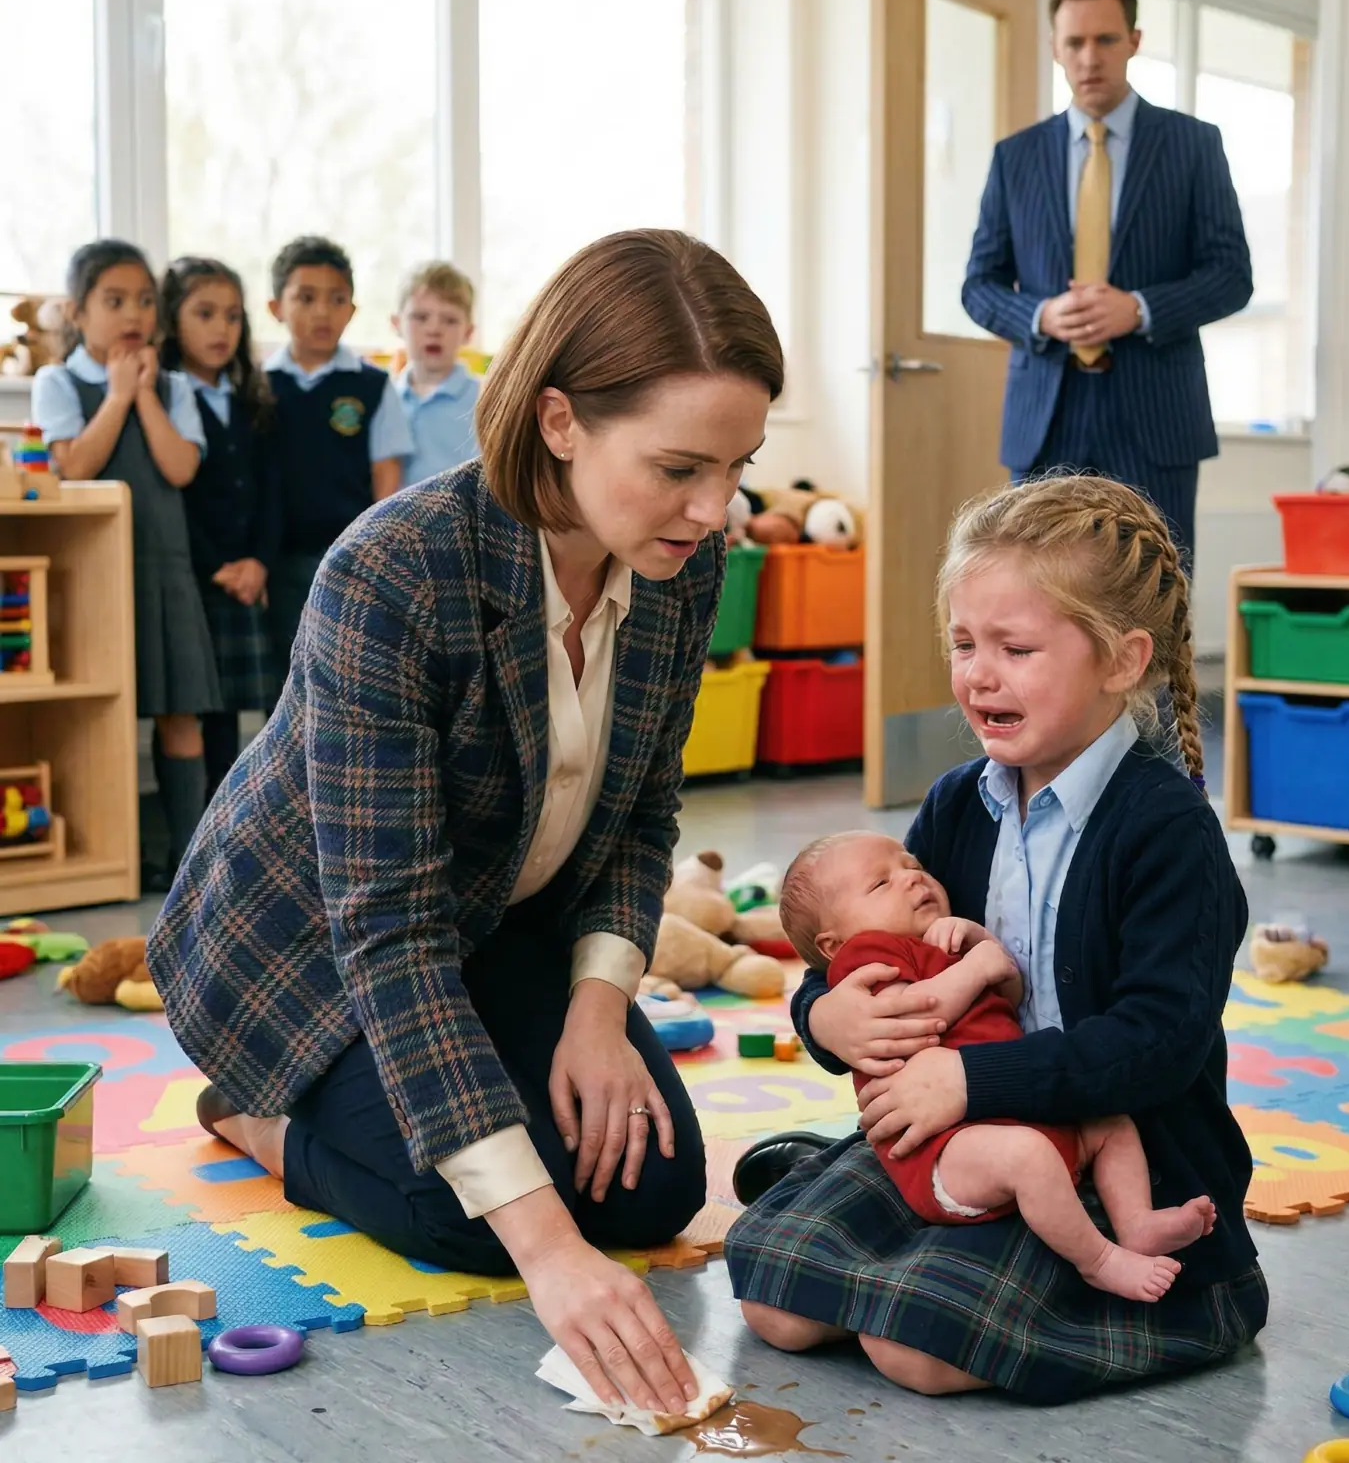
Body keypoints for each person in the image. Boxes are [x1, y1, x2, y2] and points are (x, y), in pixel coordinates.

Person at [146, 229, 784, 1414]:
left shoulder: (680, 561)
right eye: (680, 467)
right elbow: (385, 933)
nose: (713, 508)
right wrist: (549, 1256)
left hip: (497, 918)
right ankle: (256, 1115)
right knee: (483, 1214)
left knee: (649, 1185)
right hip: (311, 957)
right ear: (558, 423)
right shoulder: (389, 574)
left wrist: (599, 1009)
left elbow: (643, 808)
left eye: (736, 466)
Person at [725, 475, 1267, 1403]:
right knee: (772, 1295)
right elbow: (861, 950)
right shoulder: (955, 804)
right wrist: (826, 1018)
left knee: (920, 1354)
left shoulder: (1164, 828)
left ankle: (1187, 1302)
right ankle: (894, 1249)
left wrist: (973, 1079)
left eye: (1015, 648)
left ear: (1122, 660)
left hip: (1115, 1151)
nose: (979, 674)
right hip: (964, 1134)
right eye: (963, 644)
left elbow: (1159, 1043)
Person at [779, 830, 1216, 1303]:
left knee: (1111, 1124)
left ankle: (1137, 1224)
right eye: (882, 884)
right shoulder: (867, 955)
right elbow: (918, 1013)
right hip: (943, 1149)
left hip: (1014, 1109)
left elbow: (1006, 1000)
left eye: (914, 866)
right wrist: (977, 965)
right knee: (1026, 1158)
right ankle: (1100, 1260)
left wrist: (980, 943)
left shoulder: (935, 942)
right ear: (833, 944)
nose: (911, 878)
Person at [961, 0, 1253, 568]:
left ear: (1135, 41)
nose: (1089, 57)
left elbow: (1231, 274)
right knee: (1038, 594)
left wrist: (1139, 309)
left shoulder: (1194, 146)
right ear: (1055, 48)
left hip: (1156, 413)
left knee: (1158, 591)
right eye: (1074, 43)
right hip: (1047, 415)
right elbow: (979, 286)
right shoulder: (1015, 158)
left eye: (1105, 40)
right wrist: (1041, 313)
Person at [31, 239, 221, 894]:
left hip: (164, 573)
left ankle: (189, 860)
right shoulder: (59, 381)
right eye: (113, 300)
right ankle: (121, 852)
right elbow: (72, 465)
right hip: (93, 578)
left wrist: (143, 396)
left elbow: (181, 468)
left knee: (179, 713)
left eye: (144, 299)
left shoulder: (172, 386)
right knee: (106, 713)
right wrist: (114, 396)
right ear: (78, 313)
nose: (132, 312)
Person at [263, 235, 415, 682]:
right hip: (280, 557)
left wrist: (370, 549)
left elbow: (387, 472)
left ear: (352, 310)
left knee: (346, 668)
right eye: (305, 298)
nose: (322, 312)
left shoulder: (370, 384)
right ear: (276, 308)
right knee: (285, 677)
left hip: (347, 553)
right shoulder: (261, 386)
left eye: (337, 300)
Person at [159, 256, 282, 801]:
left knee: (235, 707)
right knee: (196, 703)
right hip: (199, 575)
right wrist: (217, 567)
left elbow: (271, 493)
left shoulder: (250, 401)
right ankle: (195, 830)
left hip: (245, 574)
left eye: (232, 316)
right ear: (172, 320)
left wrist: (258, 561)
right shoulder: (165, 402)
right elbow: (177, 500)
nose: (220, 329)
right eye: (204, 313)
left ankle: (235, 825)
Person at [392, 260, 483, 486]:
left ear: (468, 332)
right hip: (393, 518)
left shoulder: (484, 399)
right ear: (396, 324)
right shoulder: (385, 397)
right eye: (421, 317)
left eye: (450, 320)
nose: (434, 330)